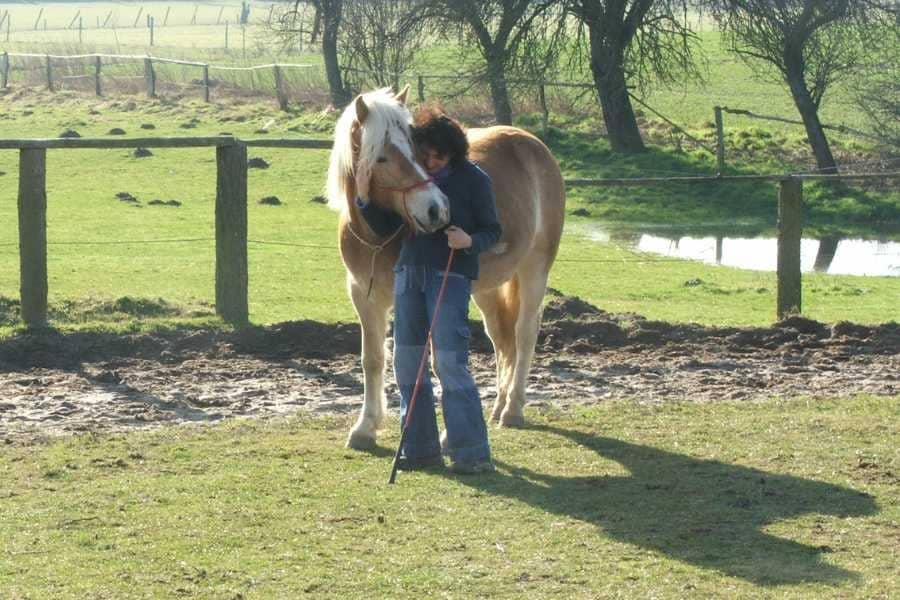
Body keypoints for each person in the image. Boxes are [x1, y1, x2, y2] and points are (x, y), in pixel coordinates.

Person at [356, 107, 502, 474]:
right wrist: (362, 198)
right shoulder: (416, 178)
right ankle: (419, 449)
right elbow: (386, 224)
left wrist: (469, 240)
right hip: (410, 271)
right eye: (428, 154)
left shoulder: (474, 180)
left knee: (450, 362)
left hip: (449, 275)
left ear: (453, 153)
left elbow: (492, 231)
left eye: (440, 156)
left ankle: (471, 452)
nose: (432, 161)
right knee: (407, 362)